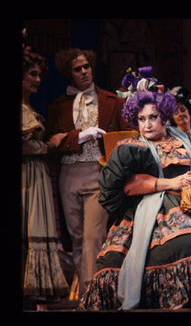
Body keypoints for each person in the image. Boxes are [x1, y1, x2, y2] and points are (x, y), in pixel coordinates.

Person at [77, 90, 191, 310]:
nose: (147, 125)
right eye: (141, 119)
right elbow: (127, 184)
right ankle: (187, 298)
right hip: (154, 207)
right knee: (182, 244)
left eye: (153, 117)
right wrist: (172, 183)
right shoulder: (132, 147)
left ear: (165, 117)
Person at [44, 48, 134, 298]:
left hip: (98, 172)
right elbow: (49, 143)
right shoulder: (58, 106)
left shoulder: (111, 101)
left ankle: (92, 294)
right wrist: (79, 136)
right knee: (77, 239)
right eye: (77, 69)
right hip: (69, 175)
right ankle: (88, 293)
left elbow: (128, 135)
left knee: (94, 236)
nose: (84, 72)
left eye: (86, 66)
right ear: (68, 74)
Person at [21, 48, 69, 310]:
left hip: (36, 173)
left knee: (35, 228)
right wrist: (49, 146)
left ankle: (39, 300)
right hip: (26, 174)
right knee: (28, 228)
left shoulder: (30, 106)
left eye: (39, 75)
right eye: (32, 74)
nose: (38, 79)